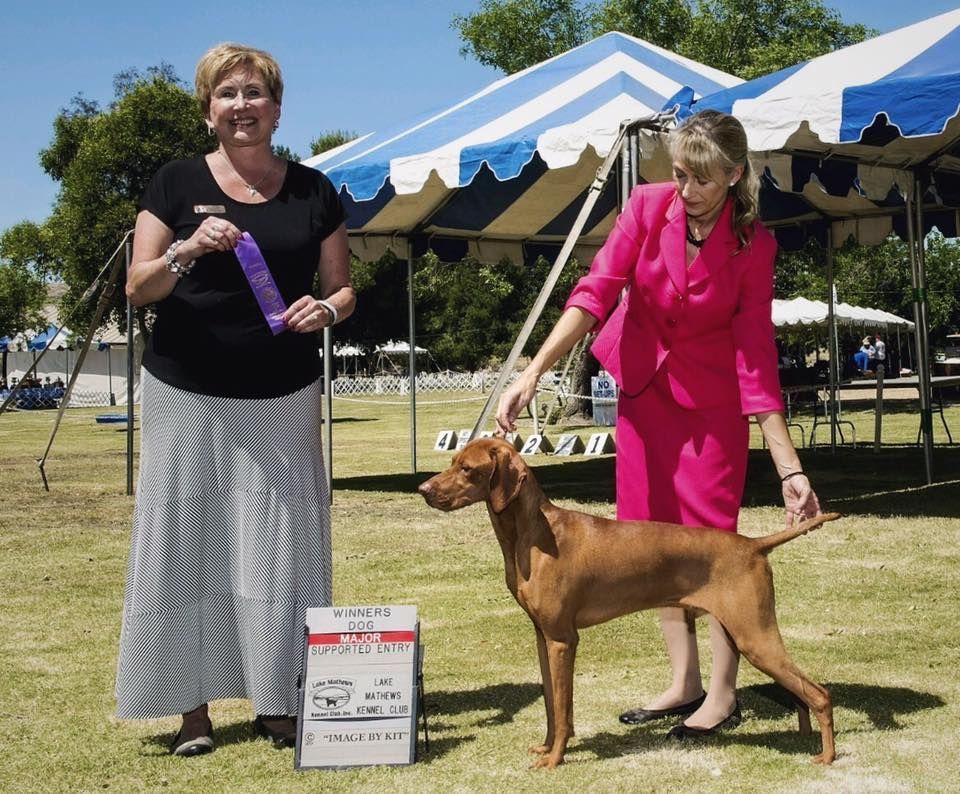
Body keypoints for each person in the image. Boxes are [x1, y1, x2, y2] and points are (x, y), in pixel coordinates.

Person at [496, 110, 820, 740]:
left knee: (710, 548)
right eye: (678, 174)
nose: (686, 190)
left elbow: (754, 358)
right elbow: (595, 292)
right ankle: (684, 681)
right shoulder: (645, 208)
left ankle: (723, 695)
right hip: (643, 398)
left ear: (733, 175)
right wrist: (533, 371)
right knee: (652, 543)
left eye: (701, 179)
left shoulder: (755, 245)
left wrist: (791, 468)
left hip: (710, 411)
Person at [118, 42, 355, 757]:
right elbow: (138, 287)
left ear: (277, 108)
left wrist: (330, 311)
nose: (242, 105)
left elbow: (345, 288)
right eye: (228, 94)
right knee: (185, 547)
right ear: (208, 111)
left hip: (282, 395)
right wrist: (186, 249)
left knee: (279, 550)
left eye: (255, 93)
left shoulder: (315, 189)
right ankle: (190, 711)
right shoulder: (174, 182)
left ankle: (280, 699)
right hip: (185, 390)